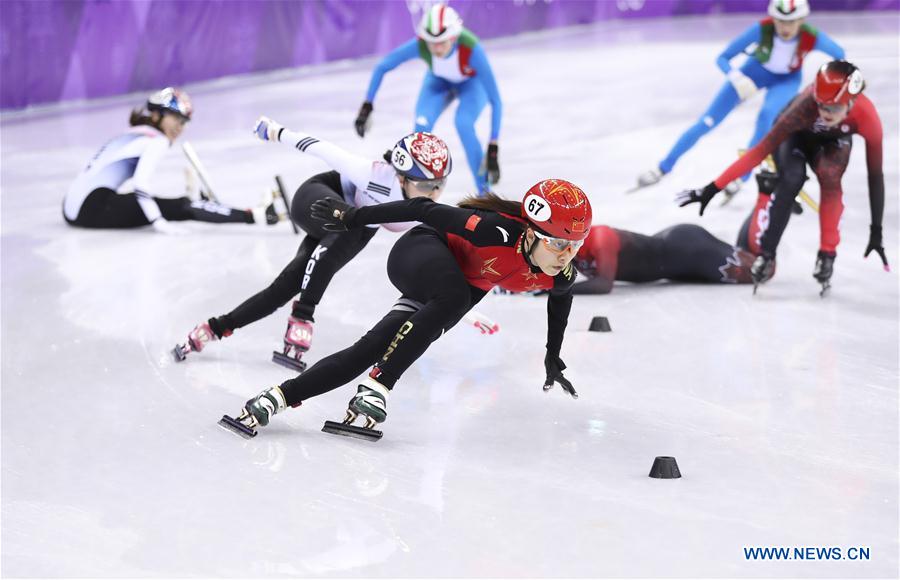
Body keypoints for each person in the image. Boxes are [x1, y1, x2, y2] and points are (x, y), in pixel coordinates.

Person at [219, 179, 593, 439]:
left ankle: (276, 397)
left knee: (370, 349)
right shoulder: (493, 231)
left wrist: (552, 356)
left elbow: (562, 303)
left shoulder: (560, 275)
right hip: (421, 254)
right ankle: (379, 385)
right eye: (558, 244)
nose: (566, 256)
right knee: (454, 300)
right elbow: (422, 208)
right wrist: (350, 217)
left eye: (575, 246)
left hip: (449, 293)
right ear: (530, 233)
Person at [173, 119, 477, 369]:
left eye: (441, 184)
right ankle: (303, 314)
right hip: (317, 199)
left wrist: (467, 304)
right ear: (400, 176)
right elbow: (322, 148)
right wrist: (277, 132)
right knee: (347, 227)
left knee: (287, 284)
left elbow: (453, 260)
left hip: (353, 225)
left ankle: (214, 328)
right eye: (426, 185)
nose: (434, 193)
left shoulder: (425, 210)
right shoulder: (373, 174)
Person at [677, 60, 888, 294]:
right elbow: (759, 151)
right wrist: (713, 188)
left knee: (830, 178)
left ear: (851, 102)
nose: (826, 113)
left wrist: (876, 231)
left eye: (834, 108)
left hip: (831, 144)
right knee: (791, 179)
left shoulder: (867, 117)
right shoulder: (804, 106)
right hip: (795, 136)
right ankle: (766, 255)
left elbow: (875, 177)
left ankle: (826, 255)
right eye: (822, 106)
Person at [636, 0, 844, 196]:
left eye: (791, 22)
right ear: (773, 18)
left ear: (802, 20)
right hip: (752, 73)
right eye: (780, 21)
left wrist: (824, 84)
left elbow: (839, 55)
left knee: (767, 117)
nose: (785, 27)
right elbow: (723, 57)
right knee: (707, 122)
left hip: (786, 81)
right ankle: (663, 167)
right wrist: (737, 78)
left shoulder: (813, 37)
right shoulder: (761, 29)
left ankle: (740, 178)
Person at [63, 87, 280, 232]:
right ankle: (256, 216)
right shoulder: (156, 140)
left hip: (74, 207)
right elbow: (141, 184)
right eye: (176, 118)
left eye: (184, 122)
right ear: (157, 115)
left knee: (169, 204)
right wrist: (158, 221)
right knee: (181, 207)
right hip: (92, 209)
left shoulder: (135, 133)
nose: (180, 127)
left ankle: (201, 202)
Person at [355, 4, 502, 195]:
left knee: (463, 123)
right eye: (431, 42)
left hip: (470, 85)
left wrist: (493, 146)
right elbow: (382, 66)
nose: (436, 48)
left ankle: (484, 193)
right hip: (437, 83)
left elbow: (496, 100)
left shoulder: (471, 47)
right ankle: (413, 192)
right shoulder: (421, 45)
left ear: (454, 37)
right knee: (420, 130)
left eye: (442, 42)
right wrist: (367, 106)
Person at [564, 223, 755, 294]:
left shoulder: (601, 237)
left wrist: (556, 289)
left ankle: (765, 202)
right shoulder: (567, 250)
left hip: (686, 249)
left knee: (758, 271)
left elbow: (604, 284)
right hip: (678, 268)